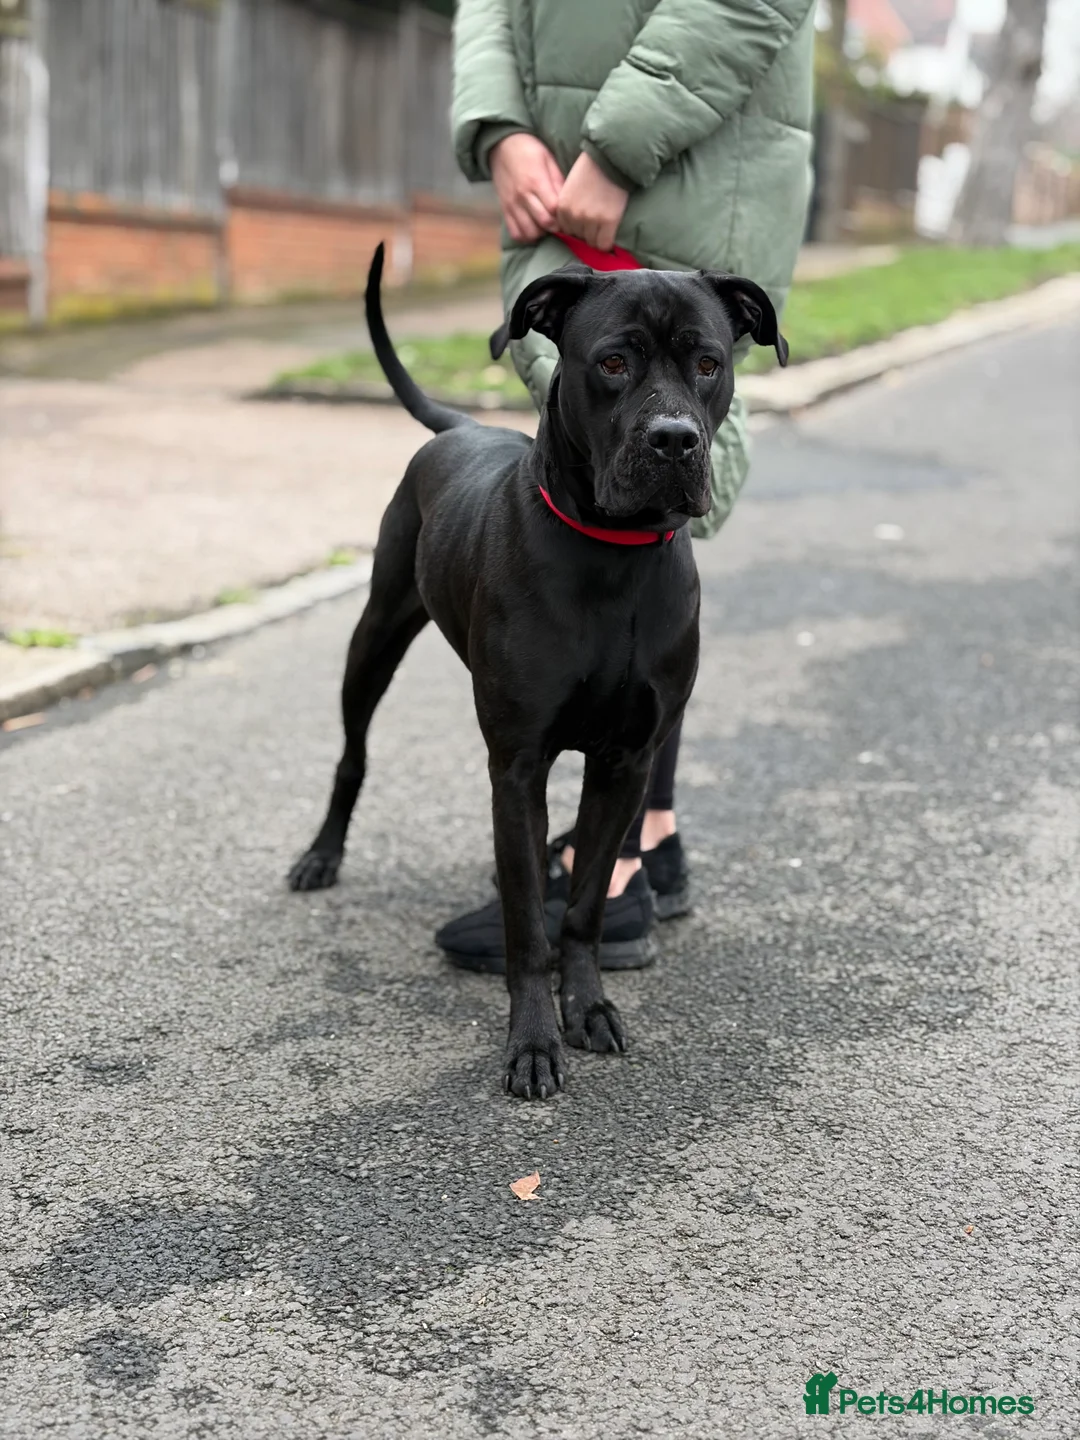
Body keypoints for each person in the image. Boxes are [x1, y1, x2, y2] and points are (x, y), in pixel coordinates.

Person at [436, 0, 816, 971]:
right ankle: (649, 840)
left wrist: (615, 149)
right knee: (588, 494)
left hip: (685, 160)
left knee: (653, 524)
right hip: (551, 184)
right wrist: (499, 130)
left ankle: (617, 872)